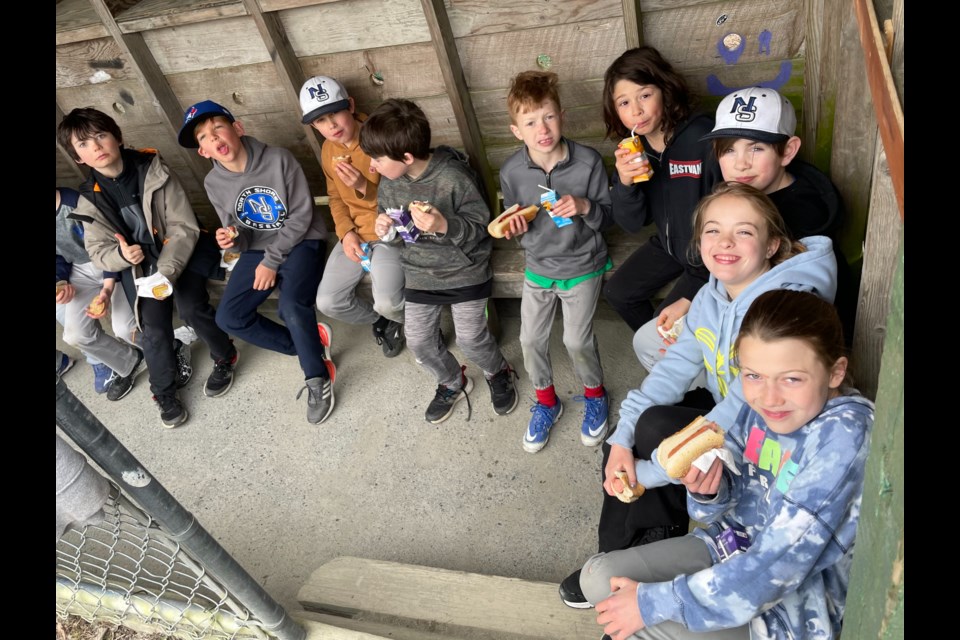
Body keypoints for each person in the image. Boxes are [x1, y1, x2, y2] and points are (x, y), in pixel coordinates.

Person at [558, 182, 838, 608]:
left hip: (773, 429)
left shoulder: (785, 304)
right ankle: (618, 556)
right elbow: (671, 371)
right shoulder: (711, 295)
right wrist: (620, 441)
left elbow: (744, 407)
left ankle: (641, 555)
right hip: (732, 410)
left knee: (658, 440)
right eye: (712, 231)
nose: (724, 242)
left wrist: (649, 473)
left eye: (744, 232)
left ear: (771, 245)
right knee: (636, 430)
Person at [581, 289, 874, 640]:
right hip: (727, 548)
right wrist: (710, 492)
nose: (769, 397)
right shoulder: (760, 407)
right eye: (752, 376)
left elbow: (774, 569)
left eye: (792, 378)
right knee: (598, 578)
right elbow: (718, 512)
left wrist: (651, 604)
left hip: (788, 609)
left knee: (632, 623)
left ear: (835, 372)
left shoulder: (844, 436)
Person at [634, 87, 856, 373]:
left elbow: (778, 320)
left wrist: (699, 340)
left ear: (787, 151)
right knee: (649, 338)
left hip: (784, 343)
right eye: (728, 149)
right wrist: (689, 301)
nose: (740, 163)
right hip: (736, 310)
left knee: (656, 346)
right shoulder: (744, 194)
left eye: (756, 148)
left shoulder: (798, 218)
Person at [58, 108, 237, 428]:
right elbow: (98, 252)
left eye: (101, 136)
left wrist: (165, 274)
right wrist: (124, 257)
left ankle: (225, 356)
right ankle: (164, 393)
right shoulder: (88, 199)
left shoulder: (151, 166)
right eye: (84, 144)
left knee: (192, 308)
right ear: (78, 157)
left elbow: (183, 226)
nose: (96, 147)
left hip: (183, 253)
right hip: (141, 268)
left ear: (117, 137)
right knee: (152, 330)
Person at [359, 98, 518, 424]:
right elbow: (397, 230)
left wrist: (444, 225)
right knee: (418, 341)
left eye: (376, 158)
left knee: (472, 338)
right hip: (419, 271)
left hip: (465, 269)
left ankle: (497, 370)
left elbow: (481, 228)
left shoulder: (453, 177)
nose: (372, 166)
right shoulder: (390, 183)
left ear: (405, 157)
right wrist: (385, 230)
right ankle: (451, 380)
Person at [178, 100, 335, 424]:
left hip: (303, 240)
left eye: (218, 127)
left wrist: (272, 261)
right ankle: (306, 344)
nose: (214, 138)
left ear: (237, 128)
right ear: (203, 151)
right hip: (257, 250)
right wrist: (232, 238)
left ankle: (317, 377)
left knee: (291, 306)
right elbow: (241, 232)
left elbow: (303, 215)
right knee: (229, 317)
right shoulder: (213, 183)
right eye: (204, 137)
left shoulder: (278, 159)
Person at [498, 70, 614, 453]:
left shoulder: (588, 163)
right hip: (539, 267)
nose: (542, 129)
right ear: (517, 131)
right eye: (530, 122)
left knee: (576, 340)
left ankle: (595, 395)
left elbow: (607, 217)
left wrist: (584, 206)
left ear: (562, 115)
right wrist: (513, 227)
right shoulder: (511, 171)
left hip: (583, 263)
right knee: (529, 339)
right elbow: (514, 220)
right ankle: (547, 402)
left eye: (548, 116)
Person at [600, 46, 723, 334]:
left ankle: (672, 354)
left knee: (662, 322)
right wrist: (625, 183)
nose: (636, 111)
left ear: (665, 90)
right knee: (618, 293)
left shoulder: (702, 137)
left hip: (706, 258)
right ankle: (665, 353)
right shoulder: (635, 150)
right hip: (669, 246)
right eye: (624, 103)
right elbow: (632, 222)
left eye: (644, 95)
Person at [303, 75, 406, 358]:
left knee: (387, 300)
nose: (332, 125)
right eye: (321, 120)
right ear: (314, 125)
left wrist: (363, 187)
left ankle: (419, 325)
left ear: (350, 105)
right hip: (356, 236)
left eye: (335, 112)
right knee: (328, 301)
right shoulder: (327, 150)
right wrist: (346, 233)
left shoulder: (379, 137)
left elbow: (403, 195)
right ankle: (381, 322)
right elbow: (335, 198)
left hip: (389, 232)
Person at [56, 186, 145, 401]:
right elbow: (59, 257)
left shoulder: (76, 201)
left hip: (112, 262)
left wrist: (107, 288)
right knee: (74, 335)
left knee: (125, 328)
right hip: (79, 270)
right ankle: (129, 361)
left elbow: (110, 243)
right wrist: (59, 280)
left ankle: (169, 348)